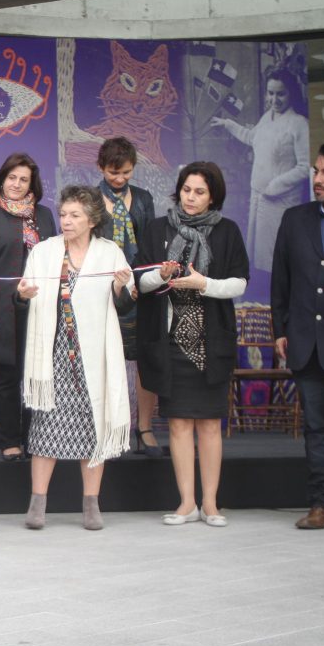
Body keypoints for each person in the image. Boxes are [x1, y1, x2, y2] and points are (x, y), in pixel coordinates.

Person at [137, 162, 248, 528]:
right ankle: (186, 502)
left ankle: (211, 503)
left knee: (210, 424)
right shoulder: (158, 228)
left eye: (199, 192)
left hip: (210, 342)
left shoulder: (227, 231)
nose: (191, 197)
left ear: (212, 196)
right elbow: (140, 281)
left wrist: (204, 284)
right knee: (180, 424)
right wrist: (160, 274)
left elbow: (239, 283)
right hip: (170, 343)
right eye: (186, 190)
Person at [18, 185, 133, 531]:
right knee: (45, 430)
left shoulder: (110, 253)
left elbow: (126, 303)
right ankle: (37, 503)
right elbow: (23, 294)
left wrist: (120, 287)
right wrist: (23, 295)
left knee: (93, 427)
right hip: (54, 353)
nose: (66, 221)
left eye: (74, 215)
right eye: (63, 214)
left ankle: (91, 504)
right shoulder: (44, 251)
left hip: (93, 354)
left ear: (92, 219)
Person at [272, 142, 324, 530]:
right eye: (316, 171)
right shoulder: (295, 219)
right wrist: (280, 329)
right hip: (309, 342)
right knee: (319, 431)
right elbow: (281, 280)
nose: (318, 179)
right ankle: (323, 506)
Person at [0, 152, 55, 461]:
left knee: (35, 376)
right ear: (2, 179)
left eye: (23, 179)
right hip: (0, 310)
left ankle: (34, 439)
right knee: (5, 380)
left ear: (33, 184)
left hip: (39, 309)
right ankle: (9, 442)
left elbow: (54, 259)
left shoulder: (44, 216)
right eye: (12, 177)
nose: (16, 184)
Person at [95, 136, 162, 457]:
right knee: (104, 362)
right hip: (102, 290)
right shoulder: (90, 199)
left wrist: (144, 280)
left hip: (140, 288)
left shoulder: (144, 198)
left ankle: (144, 429)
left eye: (126, 172)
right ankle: (107, 429)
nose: (120, 178)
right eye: (113, 172)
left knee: (145, 359)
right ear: (101, 167)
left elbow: (150, 244)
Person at [211, 68, 309, 272]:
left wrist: (275, 186)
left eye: (281, 94)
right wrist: (227, 124)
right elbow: (250, 137)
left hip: (282, 201)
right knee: (259, 257)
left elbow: (305, 167)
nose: (275, 99)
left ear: (291, 93)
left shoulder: (299, 124)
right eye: (271, 93)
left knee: (277, 256)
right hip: (259, 198)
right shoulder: (267, 118)